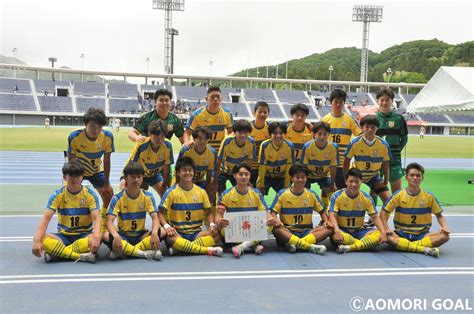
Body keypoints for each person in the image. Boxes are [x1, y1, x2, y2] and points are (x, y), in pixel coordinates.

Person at [32, 161, 100, 263]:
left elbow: (97, 218)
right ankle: (78, 256)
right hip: (63, 237)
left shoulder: (90, 195)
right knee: (40, 238)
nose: (75, 178)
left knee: (94, 238)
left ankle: (58, 253)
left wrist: (96, 237)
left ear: (82, 177)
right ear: (65, 177)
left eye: (78, 175)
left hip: (84, 235)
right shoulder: (58, 195)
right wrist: (37, 240)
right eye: (71, 175)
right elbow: (46, 218)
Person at [380, 163, 450, 257]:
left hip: (422, 235)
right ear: (407, 177)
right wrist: (386, 228)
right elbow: (384, 212)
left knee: (445, 236)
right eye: (412, 175)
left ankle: (405, 246)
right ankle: (423, 249)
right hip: (401, 234)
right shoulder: (398, 195)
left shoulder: (429, 197)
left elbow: (439, 215)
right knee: (385, 235)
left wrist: (444, 227)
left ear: (422, 178)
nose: (415, 178)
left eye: (418, 175)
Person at [159, 157, 223, 256]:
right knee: (169, 238)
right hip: (178, 232)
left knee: (217, 235)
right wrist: (167, 227)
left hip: (196, 233)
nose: (188, 173)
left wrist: (211, 224)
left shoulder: (201, 192)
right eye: (184, 170)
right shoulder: (171, 192)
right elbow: (161, 213)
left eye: (190, 170)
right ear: (178, 173)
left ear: (194, 172)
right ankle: (206, 250)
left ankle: (182, 248)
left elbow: (209, 212)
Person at [68, 107, 114, 236]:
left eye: (100, 127)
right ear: (85, 124)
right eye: (93, 126)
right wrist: (72, 180)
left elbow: (107, 160)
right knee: (72, 198)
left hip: (96, 171)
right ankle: (74, 227)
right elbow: (71, 160)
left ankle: (104, 226)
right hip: (78, 171)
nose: (96, 130)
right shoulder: (75, 136)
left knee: (109, 196)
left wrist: (106, 183)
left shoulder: (107, 137)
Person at [105, 162, 163, 261]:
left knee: (162, 231)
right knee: (106, 236)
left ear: (142, 178)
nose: (136, 180)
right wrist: (116, 236)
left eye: (139, 177)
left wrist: (153, 232)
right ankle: (143, 253)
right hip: (124, 236)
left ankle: (126, 251)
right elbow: (109, 221)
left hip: (141, 236)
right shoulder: (118, 197)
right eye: (133, 177)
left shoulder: (148, 196)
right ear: (126, 178)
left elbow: (155, 217)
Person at [269, 164, 331, 254]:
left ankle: (295, 243)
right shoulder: (282, 194)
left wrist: (326, 221)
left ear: (306, 178)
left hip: (307, 232)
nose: (300, 180)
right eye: (297, 177)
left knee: (329, 228)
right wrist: (276, 221)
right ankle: (308, 245)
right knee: (276, 229)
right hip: (288, 231)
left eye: (303, 177)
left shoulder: (312, 194)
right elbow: (273, 213)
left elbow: (322, 212)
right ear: (291, 178)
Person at [216, 163, 269, 258]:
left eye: (246, 174)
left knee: (270, 225)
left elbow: (266, 213)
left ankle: (242, 246)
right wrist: (219, 221)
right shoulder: (226, 194)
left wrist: (271, 220)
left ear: (250, 176)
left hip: (251, 229)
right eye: (240, 174)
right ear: (234, 175)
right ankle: (253, 245)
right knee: (221, 229)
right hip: (235, 230)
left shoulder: (256, 193)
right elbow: (218, 215)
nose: (244, 177)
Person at [329, 168, 387, 253]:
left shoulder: (366, 198)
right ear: (346, 182)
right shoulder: (337, 196)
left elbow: (375, 217)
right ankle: (362, 244)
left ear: (361, 182)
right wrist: (337, 230)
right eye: (351, 181)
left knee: (378, 234)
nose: (354, 184)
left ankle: (350, 247)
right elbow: (332, 215)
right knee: (334, 235)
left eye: (356, 182)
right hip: (342, 230)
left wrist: (383, 231)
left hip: (359, 231)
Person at [344, 114, 392, 205]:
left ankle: (373, 218)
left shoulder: (383, 144)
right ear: (362, 128)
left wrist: (385, 180)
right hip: (357, 175)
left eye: (373, 127)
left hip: (373, 176)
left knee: (389, 201)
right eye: (367, 127)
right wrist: (346, 179)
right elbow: (346, 162)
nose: (370, 130)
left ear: (377, 128)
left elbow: (386, 163)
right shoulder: (355, 142)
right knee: (351, 201)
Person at [322, 89, 362, 189]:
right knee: (326, 188)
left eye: (341, 102)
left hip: (342, 162)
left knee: (341, 188)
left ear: (344, 103)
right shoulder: (325, 120)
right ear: (331, 102)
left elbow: (360, 135)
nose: (338, 105)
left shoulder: (349, 119)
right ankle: (326, 205)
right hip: (327, 160)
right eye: (336, 102)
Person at [120, 120, 173, 197]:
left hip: (153, 175)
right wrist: (128, 180)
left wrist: (165, 184)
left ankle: (160, 209)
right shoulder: (142, 145)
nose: (160, 140)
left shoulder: (167, 146)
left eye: (162, 137)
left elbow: (167, 167)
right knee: (125, 192)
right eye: (156, 136)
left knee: (167, 195)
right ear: (150, 134)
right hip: (136, 174)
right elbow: (132, 165)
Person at [374, 87, 408, 194]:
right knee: (374, 192)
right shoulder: (373, 119)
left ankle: (397, 211)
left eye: (387, 100)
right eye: (382, 100)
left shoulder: (399, 119)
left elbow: (404, 139)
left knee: (396, 194)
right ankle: (373, 211)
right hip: (376, 161)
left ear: (392, 101)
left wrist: (393, 151)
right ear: (377, 101)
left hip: (394, 161)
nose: (384, 103)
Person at [184, 86, 234, 153]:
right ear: (207, 99)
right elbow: (187, 132)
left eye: (218, 97)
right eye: (212, 97)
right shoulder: (197, 114)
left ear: (221, 99)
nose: (215, 99)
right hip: (201, 150)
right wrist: (187, 141)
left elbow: (231, 132)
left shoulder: (227, 113)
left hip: (219, 151)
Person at [300, 121, 338, 208]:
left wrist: (332, 184)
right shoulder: (307, 146)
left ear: (329, 134)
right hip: (309, 176)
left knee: (334, 193)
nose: (322, 136)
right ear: (314, 134)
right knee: (304, 195)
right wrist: (303, 182)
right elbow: (303, 167)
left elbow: (333, 167)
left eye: (325, 134)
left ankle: (329, 216)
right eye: (319, 134)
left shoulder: (333, 147)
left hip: (324, 175)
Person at [216, 119, 256, 194]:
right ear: (234, 132)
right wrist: (215, 179)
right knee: (218, 189)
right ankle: (217, 204)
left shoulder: (251, 142)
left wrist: (248, 180)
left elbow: (249, 162)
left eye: (246, 133)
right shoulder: (227, 141)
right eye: (240, 132)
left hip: (238, 172)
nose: (243, 135)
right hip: (223, 171)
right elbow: (219, 159)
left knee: (243, 191)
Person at [177, 126, 217, 199]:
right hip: (185, 179)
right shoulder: (186, 151)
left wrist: (208, 187)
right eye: (200, 138)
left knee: (211, 192)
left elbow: (209, 172)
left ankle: (209, 209)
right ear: (194, 138)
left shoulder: (212, 152)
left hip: (200, 180)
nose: (203, 141)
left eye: (206, 139)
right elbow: (178, 168)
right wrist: (177, 184)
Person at [257, 122, 295, 195]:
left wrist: (287, 185)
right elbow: (262, 167)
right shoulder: (265, 145)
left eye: (281, 133)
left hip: (282, 177)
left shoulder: (289, 146)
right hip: (267, 176)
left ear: (284, 134)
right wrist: (261, 185)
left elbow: (289, 167)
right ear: (270, 134)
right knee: (259, 194)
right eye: (275, 133)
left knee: (285, 196)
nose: (278, 136)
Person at [250, 101, 271, 185]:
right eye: (260, 112)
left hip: (264, 167)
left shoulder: (270, 128)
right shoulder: (247, 127)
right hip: (251, 167)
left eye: (265, 112)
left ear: (268, 114)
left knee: (261, 191)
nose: (262, 114)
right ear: (254, 113)